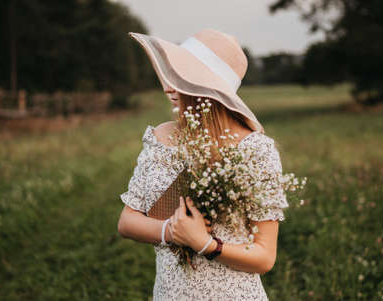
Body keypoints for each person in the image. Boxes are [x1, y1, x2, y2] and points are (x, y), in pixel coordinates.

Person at [117, 29, 289, 300]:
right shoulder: (161, 138)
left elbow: (265, 257)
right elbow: (127, 220)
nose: (167, 87)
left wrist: (206, 244)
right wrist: (170, 232)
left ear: (210, 88)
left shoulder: (254, 151)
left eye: (180, 77)